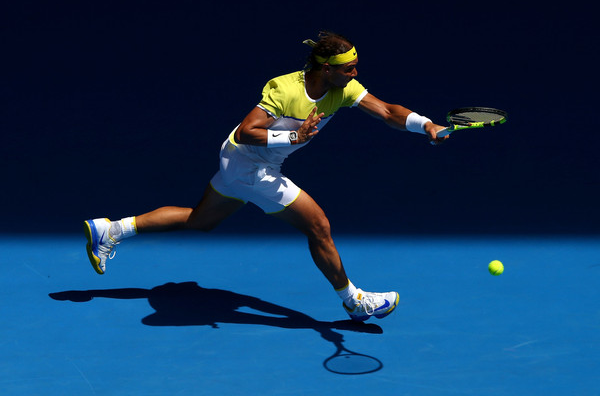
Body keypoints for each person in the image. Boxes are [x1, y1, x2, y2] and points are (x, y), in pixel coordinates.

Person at [84, 31, 447, 322]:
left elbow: (386, 111)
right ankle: (354, 301)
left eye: (355, 66)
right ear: (325, 68)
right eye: (348, 68)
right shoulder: (286, 89)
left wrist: (425, 124)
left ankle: (111, 230)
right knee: (318, 225)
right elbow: (246, 131)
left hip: (242, 161)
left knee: (200, 221)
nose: (355, 73)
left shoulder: (344, 88)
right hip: (249, 165)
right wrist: (295, 135)